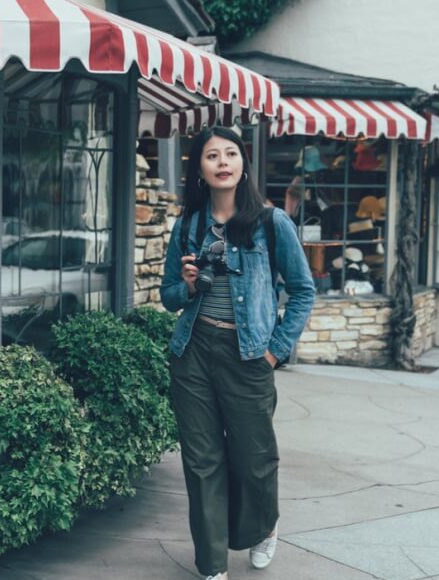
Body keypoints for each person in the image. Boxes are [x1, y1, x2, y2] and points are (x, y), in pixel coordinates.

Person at [160, 126, 315, 580]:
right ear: (201, 169)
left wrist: (275, 351)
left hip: (249, 356)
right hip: (193, 351)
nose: (223, 162)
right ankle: (211, 565)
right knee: (201, 460)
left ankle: (264, 526)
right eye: (212, 155)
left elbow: (303, 291)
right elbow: (169, 296)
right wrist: (187, 285)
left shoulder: (271, 222)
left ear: (243, 163)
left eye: (231, 153)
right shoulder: (188, 225)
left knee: (254, 458)